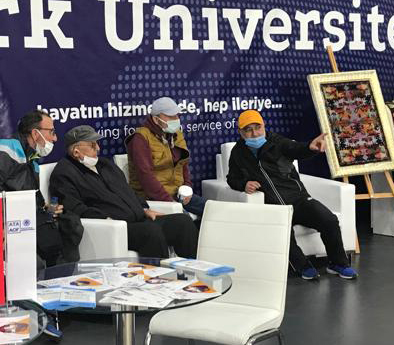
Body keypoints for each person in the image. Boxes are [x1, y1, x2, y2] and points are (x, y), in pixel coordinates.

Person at [0, 110, 82, 340]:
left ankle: (57, 302)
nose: (55, 138)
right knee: (31, 257)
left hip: (18, 223)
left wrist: (45, 208)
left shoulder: (31, 156)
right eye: (51, 132)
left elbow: (29, 195)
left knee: (68, 228)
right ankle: (35, 316)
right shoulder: (5, 150)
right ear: (35, 133)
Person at [225, 110, 356, 280]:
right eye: (248, 130)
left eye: (258, 127)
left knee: (329, 220)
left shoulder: (277, 142)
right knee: (283, 232)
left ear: (264, 126)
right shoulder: (238, 152)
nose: (254, 133)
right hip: (273, 207)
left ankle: (338, 264)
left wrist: (310, 147)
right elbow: (232, 178)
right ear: (240, 132)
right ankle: (303, 267)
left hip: (298, 200)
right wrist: (244, 184)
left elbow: (295, 149)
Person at [50, 125, 199, 258]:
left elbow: (128, 190)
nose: (98, 148)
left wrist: (144, 208)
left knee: (183, 222)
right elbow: (74, 208)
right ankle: (159, 277)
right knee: (150, 232)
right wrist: (107, 219)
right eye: (92, 145)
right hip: (115, 227)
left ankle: (193, 271)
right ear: (76, 151)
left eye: (97, 144)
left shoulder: (105, 164)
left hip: (139, 219)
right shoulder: (64, 174)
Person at [125, 97, 208, 218]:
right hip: (153, 199)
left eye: (177, 115)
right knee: (185, 220)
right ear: (155, 119)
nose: (176, 119)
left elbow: (183, 164)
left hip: (178, 194)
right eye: (171, 116)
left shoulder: (176, 134)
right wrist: (170, 202)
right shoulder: (140, 138)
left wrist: (187, 188)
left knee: (215, 211)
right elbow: (146, 177)